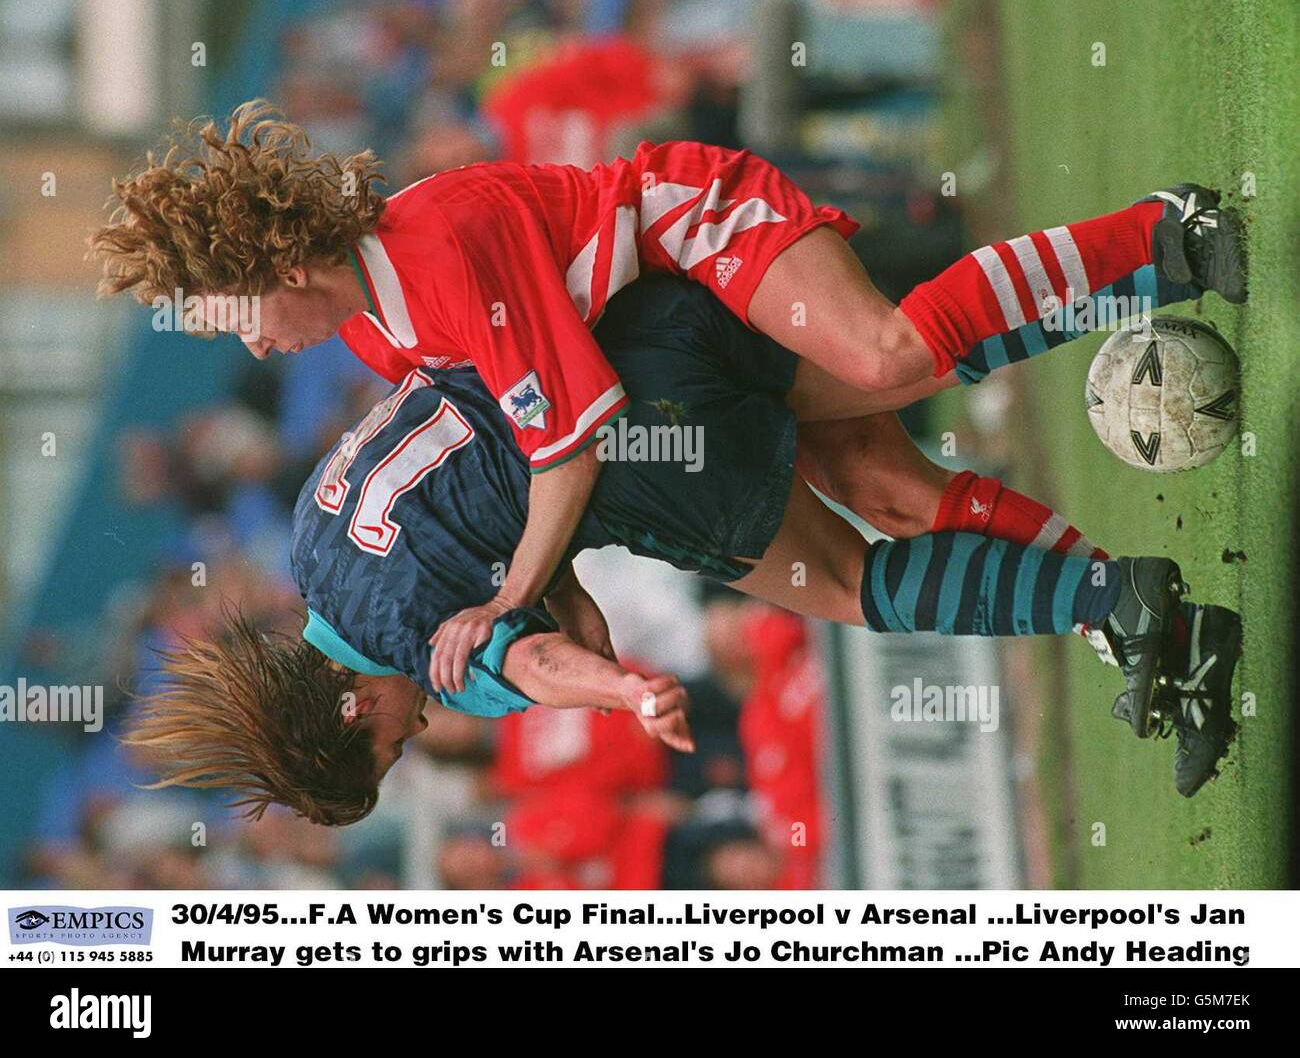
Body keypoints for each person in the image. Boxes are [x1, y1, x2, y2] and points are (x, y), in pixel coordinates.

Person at [91, 103, 1246, 703]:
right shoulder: (369, 323)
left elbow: (570, 446)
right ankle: (1126, 609)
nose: (242, 337)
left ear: (282, 266)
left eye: (229, 308)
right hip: (664, 335)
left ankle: (1161, 231)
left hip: (685, 229)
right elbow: (525, 445)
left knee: (889, 355)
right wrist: (566, 588)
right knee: (885, 491)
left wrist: (515, 595)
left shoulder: (429, 252)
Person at [121, 278, 1240, 825]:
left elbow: (534, 662)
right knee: (890, 436)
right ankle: (1145, 606)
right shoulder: (315, 538)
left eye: (391, 753)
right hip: (620, 334)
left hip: (638, 445)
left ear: (352, 715)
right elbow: (472, 497)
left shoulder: (410, 650)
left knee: (851, 568)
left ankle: (1127, 591)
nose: (417, 736)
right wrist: (564, 597)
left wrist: (619, 692)